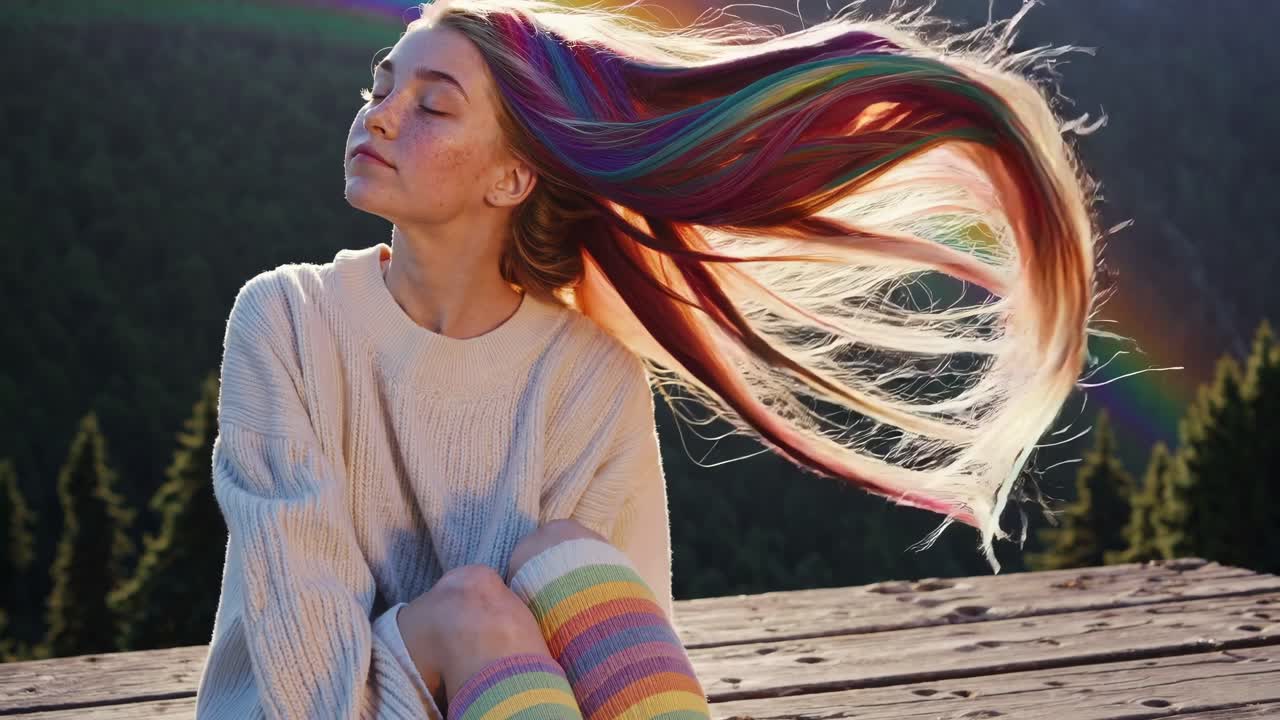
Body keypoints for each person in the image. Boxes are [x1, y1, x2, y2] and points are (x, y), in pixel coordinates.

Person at [194, 0, 1104, 716]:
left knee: (564, 560)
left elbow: (609, 676)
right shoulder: (289, 322)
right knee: (477, 602)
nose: (381, 117)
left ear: (513, 178)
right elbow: (305, 692)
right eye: (380, 86)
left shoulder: (584, 374)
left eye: (431, 105)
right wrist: (464, 637)